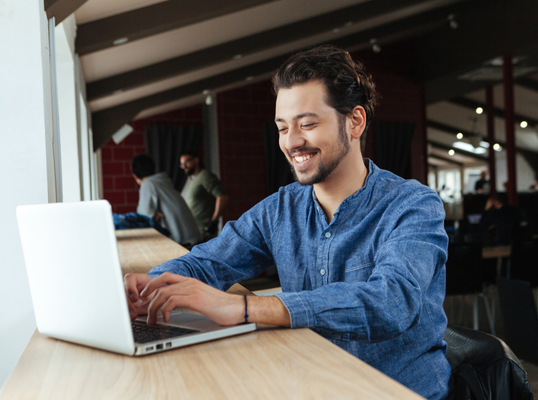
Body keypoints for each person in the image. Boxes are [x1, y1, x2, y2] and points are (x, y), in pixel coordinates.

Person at [125, 46, 450, 400]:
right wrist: (148, 287)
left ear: (355, 121)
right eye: (283, 128)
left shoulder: (412, 205)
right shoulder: (281, 208)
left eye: (308, 124)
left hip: (396, 391)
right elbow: (208, 262)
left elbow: (390, 303)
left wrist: (245, 308)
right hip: (312, 384)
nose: (292, 142)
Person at [131, 154, 201, 248]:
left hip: (182, 243)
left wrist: (151, 217)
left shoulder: (148, 184)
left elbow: (143, 219)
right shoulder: (162, 181)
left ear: (135, 176)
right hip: (192, 237)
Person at [179, 152, 229, 241]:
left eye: (186, 162)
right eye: (182, 164)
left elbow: (222, 196)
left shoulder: (205, 176)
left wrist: (214, 221)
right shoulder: (191, 179)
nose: (184, 167)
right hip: (193, 230)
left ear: (196, 160)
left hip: (204, 231)